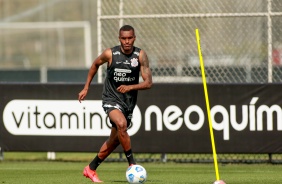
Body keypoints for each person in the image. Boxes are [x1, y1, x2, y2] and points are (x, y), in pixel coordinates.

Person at [78, 25, 153, 183]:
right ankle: (132, 163)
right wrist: (86, 87)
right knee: (121, 123)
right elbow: (95, 65)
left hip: (128, 103)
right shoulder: (110, 53)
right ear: (119, 39)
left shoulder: (140, 56)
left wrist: (130, 87)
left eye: (130, 38)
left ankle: (91, 168)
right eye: (124, 38)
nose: (127, 41)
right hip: (110, 99)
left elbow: (148, 83)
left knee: (115, 140)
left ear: (134, 38)